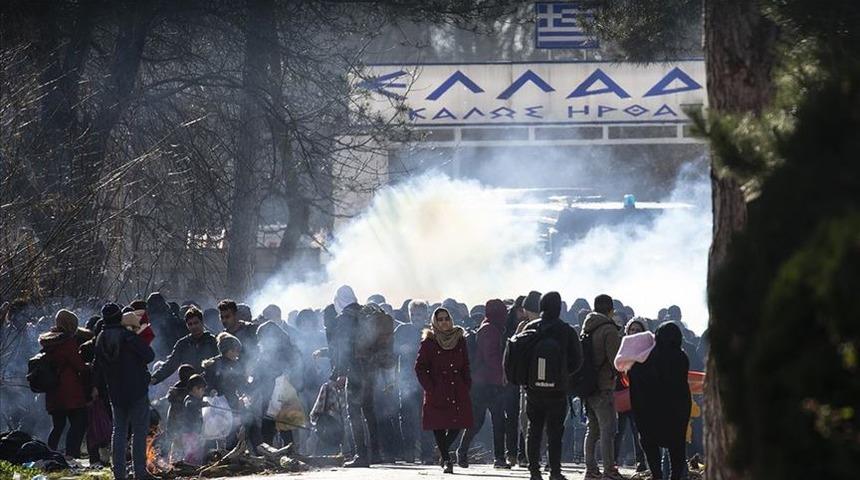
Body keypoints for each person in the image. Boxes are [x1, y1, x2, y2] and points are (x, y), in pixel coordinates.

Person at [520, 292, 582, 480]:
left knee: (534, 430)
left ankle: (534, 472)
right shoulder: (566, 330)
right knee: (555, 432)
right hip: (557, 390)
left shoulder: (531, 328)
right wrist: (563, 375)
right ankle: (555, 472)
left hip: (533, 389)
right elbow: (577, 360)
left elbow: (521, 358)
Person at [93, 302, 156, 480]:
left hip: (115, 392)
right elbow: (149, 355)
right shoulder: (128, 336)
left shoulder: (100, 338)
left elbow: (97, 367)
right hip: (136, 389)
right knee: (139, 432)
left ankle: (118, 474)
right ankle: (140, 473)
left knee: (118, 431)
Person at [326, 286, 384, 467]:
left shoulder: (344, 319)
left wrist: (339, 374)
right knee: (369, 411)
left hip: (356, 371)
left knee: (354, 413)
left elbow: (343, 350)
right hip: (371, 369)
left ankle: (361, 455)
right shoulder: (367, 313)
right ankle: (375, 453)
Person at [627, 322, 691, 480]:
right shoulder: (681, 357)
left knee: (650, 445)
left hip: (650, 414)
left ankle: (657, 475)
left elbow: (634, 375)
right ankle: (675, 477)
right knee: (677, 447)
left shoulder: (647, 357)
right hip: (676, 414)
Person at [415, 307, 473, 474]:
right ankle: (447, 460)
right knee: (439, 425)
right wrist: (430, 387)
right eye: (440, 319)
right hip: (437, 389)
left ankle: (443, 450)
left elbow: (466, 364)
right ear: (435, 322)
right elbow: (420, 367)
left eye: (446, 318)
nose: (444, 322)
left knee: (458, 423)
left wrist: (466, 383)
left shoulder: (459, 339)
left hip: (457, 388)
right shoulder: (429, 342)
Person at [456, 299, 510, 469]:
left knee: (494, 420)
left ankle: (497, 457)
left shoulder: (491, 327)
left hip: (485, 382)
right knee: (483, 421)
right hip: (486, 383)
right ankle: (465, 452)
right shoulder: (490, 330)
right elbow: (491, 357)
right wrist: (503, 375)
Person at [582, 294, 623, 480]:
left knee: (592, 430)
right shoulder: (608, 330)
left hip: (587, 386)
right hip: (604, 385)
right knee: (608, 430)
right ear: (611, 310)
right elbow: (616, 361)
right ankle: (609, 470)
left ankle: (590, 469)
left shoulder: (587, 327)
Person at [38, 309, 89, 460]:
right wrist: (89, 368)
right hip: (70, 392)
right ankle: (71, 455)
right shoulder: (67, 342)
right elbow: (79, 365)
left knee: (58, 426)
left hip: (53, 392)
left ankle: (48, 454)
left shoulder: (49, 341)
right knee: (79, 423)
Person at [150, 307, 218, 385]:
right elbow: (171, 364)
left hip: (209, 386)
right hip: (189, 387)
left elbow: (221, 364)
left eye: (196, 323)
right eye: (190, 324)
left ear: (202, 322)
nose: (193, 327)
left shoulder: (213, 341)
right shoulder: (183, 344)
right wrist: (155, 378)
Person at [615, 319, 648, 472]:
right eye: (632, 329)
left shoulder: (647, 348)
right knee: (617, 431)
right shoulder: (621, 346)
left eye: (637, 330)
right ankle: (613, 461)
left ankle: (641, 462)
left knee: (638, 432)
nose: (634, 332)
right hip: (620, 394)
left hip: (639, 395)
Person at [218, 299, 258, 369]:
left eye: (227, 317)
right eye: (222, 317)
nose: (224, 320)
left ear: (235, 315)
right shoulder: (222, 337)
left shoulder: (251, 330)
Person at [182, 374, 208, 465]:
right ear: (195, 389)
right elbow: (190, 405)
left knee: (198, 454)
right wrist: (201, 404)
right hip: (190, 433)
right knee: (191, 455)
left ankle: (196, 469)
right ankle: (190, 470)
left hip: (196, 433)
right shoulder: (189, 399)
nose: (203, 392)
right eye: (202, 390)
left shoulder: (196, 400)